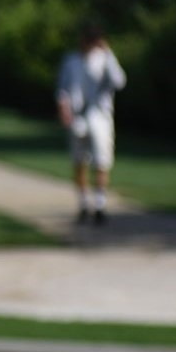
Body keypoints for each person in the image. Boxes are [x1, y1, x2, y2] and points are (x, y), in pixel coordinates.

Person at [56, 22, 127, 226]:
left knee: (101, 161)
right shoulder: (71, 61)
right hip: (78, 116)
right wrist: (64, 107)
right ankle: (84, 203)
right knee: (79, 161)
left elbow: (119, 81)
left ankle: (100, 204)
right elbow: (63, 89)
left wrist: (109, 54)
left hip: (100, 116)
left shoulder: (104, 60)